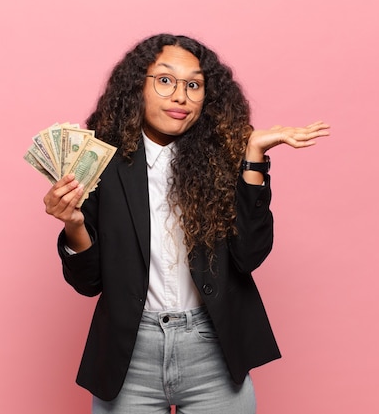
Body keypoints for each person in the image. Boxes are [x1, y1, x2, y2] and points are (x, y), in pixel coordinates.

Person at [43, 33, 329, 414]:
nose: (181, 96)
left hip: (213, 351)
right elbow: (88, 283)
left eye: (193, 85)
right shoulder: (99, 164)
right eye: (165, 80)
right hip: (129, 355)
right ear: (136, 88)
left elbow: (249, 255)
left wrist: (254, 160)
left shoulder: (223, 161)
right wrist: (74, 225)